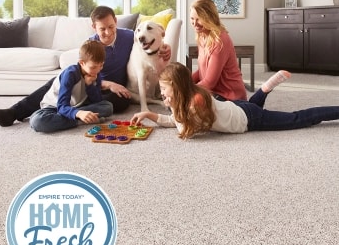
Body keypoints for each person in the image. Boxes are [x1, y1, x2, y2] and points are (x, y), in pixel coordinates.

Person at [0, 5, 171, 127]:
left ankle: (70, 112)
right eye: (102, 29)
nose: (107, 33)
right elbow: (84, 74)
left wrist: (166, 47)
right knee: (57, 81)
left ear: (115, 21)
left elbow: (148, 43)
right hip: (93, 84)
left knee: (121, 101)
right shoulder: (91, 45)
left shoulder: (129, 36)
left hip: (117, 91)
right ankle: (13, 112)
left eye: (110, 26)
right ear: (94, 27)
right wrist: (107, 83)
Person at [130, 62, 339, 140]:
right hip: (238, 107)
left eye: (165, 90)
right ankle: (264, 90)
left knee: (297, 119)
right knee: (252, 106)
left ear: (176, 88)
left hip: (248, 119)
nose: (162, 95)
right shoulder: (190, 97)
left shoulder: (195, 103)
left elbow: (184, 131)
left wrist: (173, 108)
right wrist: (148, 114)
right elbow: (173, 120)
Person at [29, 40, 113, 133]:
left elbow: (97, 101)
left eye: (101, 66)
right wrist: (78, 113)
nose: (97, 70)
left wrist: (89, 86)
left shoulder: (95, 73)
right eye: (93, 67)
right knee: (37, 122)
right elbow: (61, 106)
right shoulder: (70, 74)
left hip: (78, 105)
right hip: (55, 108)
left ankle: (82, 117)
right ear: (82, 63)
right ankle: (80, 121)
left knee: (107, 107)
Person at [190, 0, 247, 101]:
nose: (194, 23)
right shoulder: (202, 36)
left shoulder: (220, 40)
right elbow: (203, 71)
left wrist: (184, 89)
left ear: (209, 18)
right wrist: (184, 81)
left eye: (198, 19)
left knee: (185, 103)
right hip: (212, 92)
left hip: (229, 97)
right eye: (192, 19)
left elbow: (209, 83)